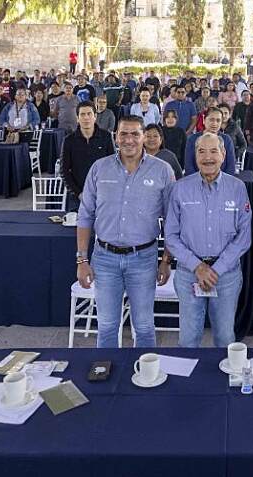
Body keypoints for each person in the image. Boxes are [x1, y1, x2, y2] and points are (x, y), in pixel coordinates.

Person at [75, 115, 176, 348]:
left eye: (135, 134)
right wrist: (82, 259)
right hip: (104, 259)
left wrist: (166, 261)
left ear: (144, 137)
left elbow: (172, 221)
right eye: (124, 134)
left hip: (143, 259)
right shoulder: (99, 168)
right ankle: (107, 369)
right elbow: (85, 215)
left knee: (144, 326)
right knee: (107, 326)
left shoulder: (162, 171)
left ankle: (145, 370)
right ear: (116, 137)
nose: (129, 140)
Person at [164, 132, 252, 347]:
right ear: (195, 156)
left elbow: (244, 236)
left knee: (225, 338)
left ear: (223, 155)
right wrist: (198, 267)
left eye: (213, 151)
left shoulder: (237, 188)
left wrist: (216, 269)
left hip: (227, 276)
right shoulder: (180, 188)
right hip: (189, 275)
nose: (208, 157)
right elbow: (171, 236)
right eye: (201, 152)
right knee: (188, 339)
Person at [61, 101, 115, 211]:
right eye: (82, 114)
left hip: (102, 195)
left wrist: (105, 191)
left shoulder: (106, 137)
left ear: (95, 117)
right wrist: (78, 193)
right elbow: (64, 171)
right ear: (77, 118)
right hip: (77, 196)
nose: (86, 118)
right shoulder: (69, 140)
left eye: (89, 114)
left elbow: (113, 166)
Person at [185, 108, 237, 177]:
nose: (214, 123)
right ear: (204, 120)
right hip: (196, 180)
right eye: (211, 120)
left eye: (218, 120)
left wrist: (222, 181)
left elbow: (231, 166)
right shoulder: (192, 139)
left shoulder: (227, 140)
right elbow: (189, 166)